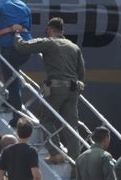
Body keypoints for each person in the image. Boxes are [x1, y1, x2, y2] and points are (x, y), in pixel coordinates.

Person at [14, 17, 85, 166]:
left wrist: (17, 34)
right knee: (71, 126)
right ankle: (76, 161)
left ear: (50, 30)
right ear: (62, 31)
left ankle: (55, 153)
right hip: (73, 90)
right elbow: (81, 73)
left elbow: (23, 47)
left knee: (46, 119)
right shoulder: (74, 47)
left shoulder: (49, 43)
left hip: (56, 89)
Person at [0, 0, 33, 127]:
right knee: (14, 75)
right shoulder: (23, 5)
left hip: (10, 48)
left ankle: (17, 117)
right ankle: (13, 103)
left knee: (12, 81)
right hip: (26, 47)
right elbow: (29, 26)